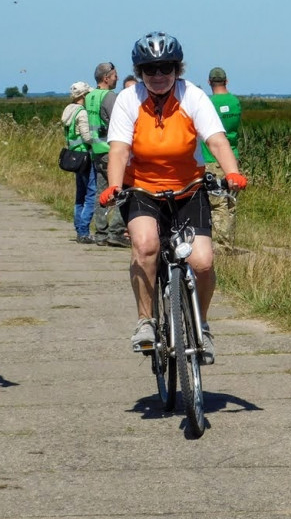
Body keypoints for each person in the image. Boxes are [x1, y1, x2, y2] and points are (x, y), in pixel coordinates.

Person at [102, 32, 247, 364]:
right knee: (146, 246)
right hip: (141, 188)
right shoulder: (128, 99)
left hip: (188, 187)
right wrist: (113, 186)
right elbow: (119, 149)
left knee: (202, 261)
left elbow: (216, 139)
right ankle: (145, 322)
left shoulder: (193, 96)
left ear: (178, 69)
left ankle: (203, 326)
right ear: (139, 72)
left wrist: (232, 172)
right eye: (149, 69)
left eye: (166, 68)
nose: (158, 76)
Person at [86, 62, 129, 247]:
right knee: (123, 190)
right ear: (106, 77)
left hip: (96, 149)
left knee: (101, 193)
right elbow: (119, 121)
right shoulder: (109, 96)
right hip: (110, 151)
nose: (117, 78)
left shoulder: (90, 96)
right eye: (114, 75)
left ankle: (101, 232)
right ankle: (116, 231)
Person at [201, 67, 243, 251]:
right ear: (226, 81)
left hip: (212, 156)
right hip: (233, 156)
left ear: (210, 82)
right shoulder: (235, 102)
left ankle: (219, 243)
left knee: (217, 202)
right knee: (231, 201)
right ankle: (228, 241)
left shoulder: (208, 103)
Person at [62, 81, 97, 243]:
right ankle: (83, 231)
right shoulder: (81, 113)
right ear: (83, 95)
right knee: (91, 194)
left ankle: (78, 227)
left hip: (73, 155)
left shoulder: (68, 110)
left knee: (80, 195)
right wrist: (99, 138)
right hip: (84, 156)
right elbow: (87, 137)